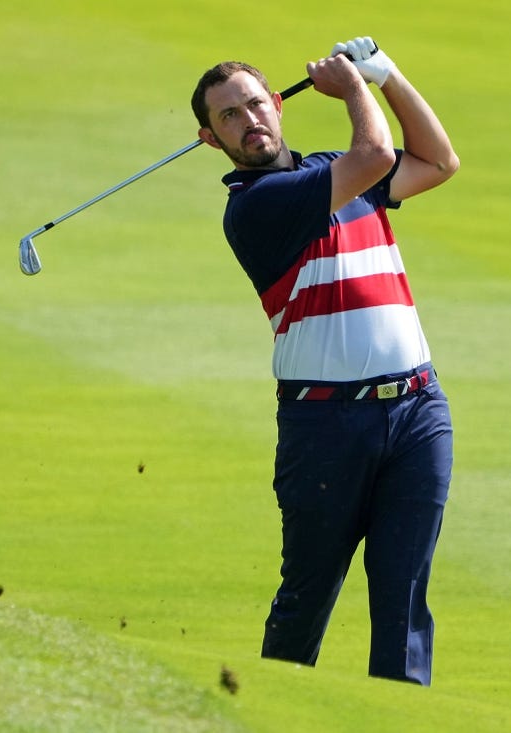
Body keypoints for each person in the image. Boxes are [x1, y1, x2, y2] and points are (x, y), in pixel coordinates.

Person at [191, 36, 459, 686]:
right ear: (209, 138)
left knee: (403, 601)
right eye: (229, 115)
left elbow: (439, 160)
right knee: (307, 598)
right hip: (325, 427)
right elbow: (373, 154)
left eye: (255, 103)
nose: (248, 120)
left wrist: (387, 73)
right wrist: (353, 87)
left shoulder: (341, 175)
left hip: (418, 411)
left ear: (278, 106)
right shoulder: (255, 207)